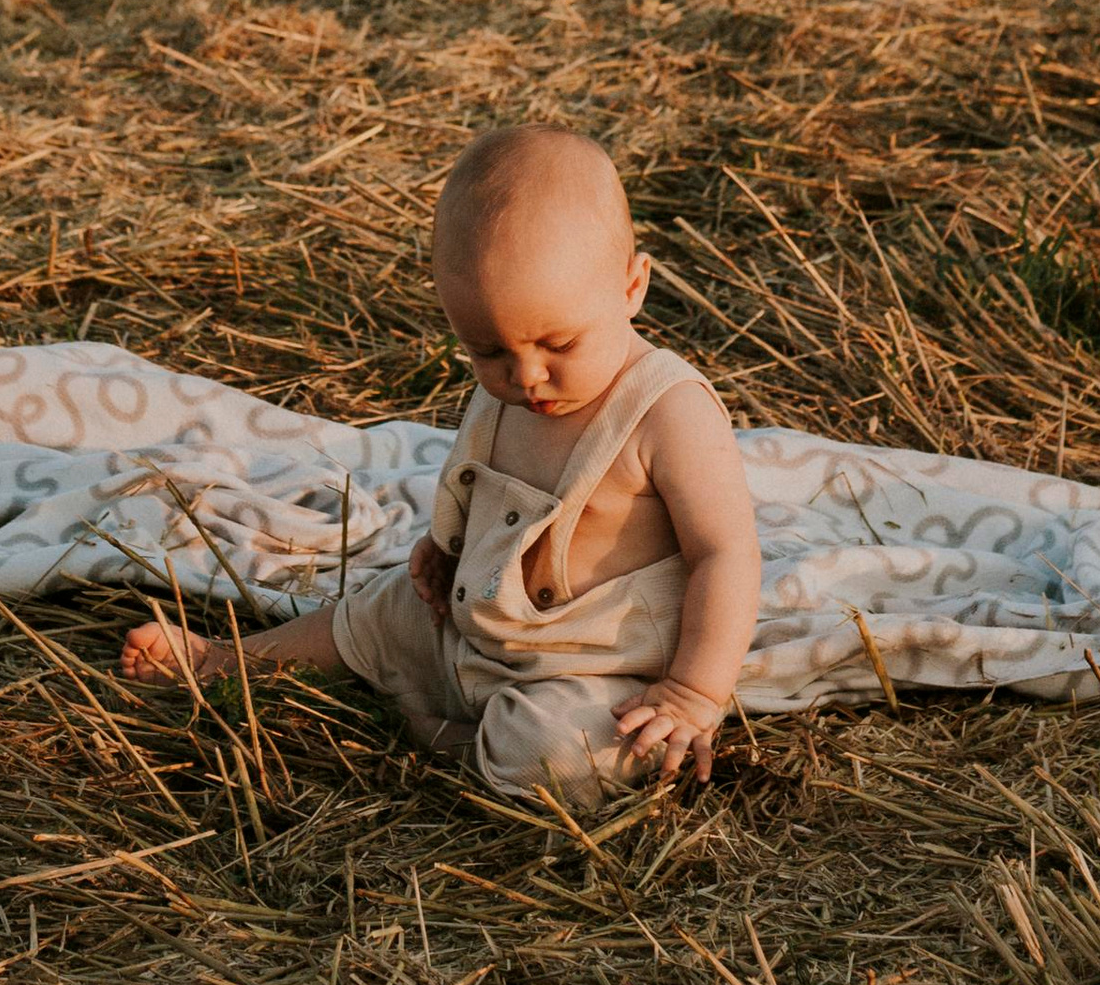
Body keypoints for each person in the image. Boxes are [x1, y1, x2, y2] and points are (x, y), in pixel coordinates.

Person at [121, 123, 762, 815]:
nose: (526, 376)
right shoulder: (508, 395)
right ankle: (225, 661)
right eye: (488, 351)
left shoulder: (667, 410)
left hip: (602, 669)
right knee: (376, 613)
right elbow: (487, 490)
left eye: (558, 343)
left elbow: (725, 553)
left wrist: (691, 694)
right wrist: (448, 547)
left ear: (633, 286)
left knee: (561, 747)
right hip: (482, 628)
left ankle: (450, 741)